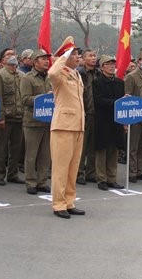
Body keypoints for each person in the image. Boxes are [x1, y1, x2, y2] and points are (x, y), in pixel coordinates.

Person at [47, 36, 86, 219]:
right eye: (74, 54)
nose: (78, 57)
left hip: (78, 126)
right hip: (63, 126)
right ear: (67, 56)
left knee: (73, 168)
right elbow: (52, 73)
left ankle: (69, 201)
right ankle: (58, 204)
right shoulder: (59, 73)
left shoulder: (76, 74)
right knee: (61, 168)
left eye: (77, 54)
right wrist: (62, 56)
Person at [19, 49, 52, 195]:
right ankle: (30, 182)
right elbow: (25, 99)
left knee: (45, 155)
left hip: (48, 120)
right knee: (31, 154)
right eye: (43, 58)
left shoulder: (51, 77)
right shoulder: (27, 78)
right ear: (34, 61)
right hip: (32, 121)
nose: (46, 61)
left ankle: (42, 181)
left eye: (47, 59)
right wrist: (43, 98)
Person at [0, 51, 25, 186]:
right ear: (3, 60)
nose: (12, 57)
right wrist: (0, 116)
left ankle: (13, 174)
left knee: (16, 148)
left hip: (19, 116)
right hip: (5, 116)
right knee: (1, 147)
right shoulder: (0, 74)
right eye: (8, 55)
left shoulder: (21, 75)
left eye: (14, 54)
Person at [91, 55, 125, 190]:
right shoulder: (97, 82)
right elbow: (98, 100)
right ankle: (101, 179)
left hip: (116, 120)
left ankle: (112, 178)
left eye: (113, 64)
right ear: (102, 67)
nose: (112, 66)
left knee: (114, 150)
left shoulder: (119, 82)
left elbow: (121, 101)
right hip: (102, 120)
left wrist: (124, 102)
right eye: (108, 64)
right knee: (102, 150)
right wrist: (115, 102)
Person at [123, 50, 142, 182]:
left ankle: (140, 170)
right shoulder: (131, 77)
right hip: (134, 115)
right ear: (138, 61)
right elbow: (127, 98)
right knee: (133, 147)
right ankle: (132, 172)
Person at [76, 48, 99, 185]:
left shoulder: (98, 74)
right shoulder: (79, 73)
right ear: (83, 59)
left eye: (95, 56)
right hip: (83, 113)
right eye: (90, 56)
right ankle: (79, 173)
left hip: (95, 113)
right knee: (81, 147)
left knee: (93, 145)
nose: (93, 58)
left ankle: (91, 172)